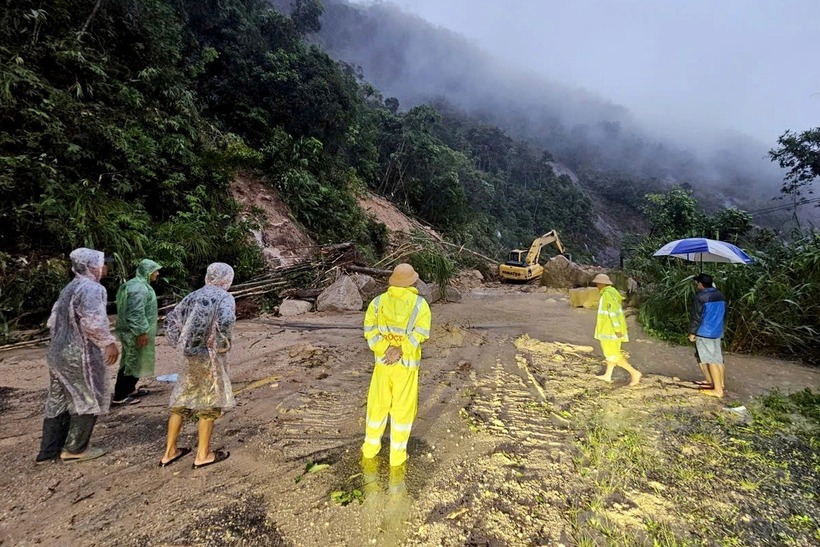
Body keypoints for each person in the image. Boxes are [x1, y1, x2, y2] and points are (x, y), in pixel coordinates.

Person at [36, 248, 120, 464]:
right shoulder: (92, 288)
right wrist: (109, 343)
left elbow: (53, 320)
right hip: (79, 355)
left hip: (58, 353)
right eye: (103, 263)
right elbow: (93, 321)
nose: (106, 267)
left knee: (59, 399)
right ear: (92, 266)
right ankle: (74, 448)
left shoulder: (70, 288)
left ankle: (49, 450)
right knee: (88, 396)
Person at [160, 263, 236, 468]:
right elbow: (226, 322)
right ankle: (203, 454)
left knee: (182, 399)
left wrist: (181, 343)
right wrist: (221, 345)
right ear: (226, 278)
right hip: (208, 356)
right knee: (209, 402)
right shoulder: (224, 297)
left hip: (188, 356)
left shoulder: (191, 297)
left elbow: (170, 321)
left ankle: (169, 451)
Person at [362, 263, 431, 467]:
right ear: (413, 282)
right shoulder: (420, 305)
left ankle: (369, 450)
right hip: (406, 367)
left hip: (383, 365)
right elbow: (421, 333)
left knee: (377, 407)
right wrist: (400, 350)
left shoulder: (377, 302)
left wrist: (385, 349)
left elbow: (369, 331)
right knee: (402, 411)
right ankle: (397, 457)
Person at [113, 259, 161, 405]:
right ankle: (120, 395)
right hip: (134, 332)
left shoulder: (137, 285)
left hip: (132, 330)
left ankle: (130, 389)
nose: (157, 273)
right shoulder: (138, 289)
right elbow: (135, 312)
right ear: (148, 271)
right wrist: (141, 332)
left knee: (135, 360)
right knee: (131, 361)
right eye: (155, 271)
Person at [592, 273, 642, 386]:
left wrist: (617, 329)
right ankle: (608, 375)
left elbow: (613, 313)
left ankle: (634, 373)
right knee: (612, 353)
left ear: (601, 284)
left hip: (609, 330)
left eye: (597, 284)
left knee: (613, 355)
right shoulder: (612, 293)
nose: (597, 286)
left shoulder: (607, 295)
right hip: (611, 330)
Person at [688, 273, 727, 398]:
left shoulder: (700, 297)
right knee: (718, 360)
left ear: (701, 284)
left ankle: (717, 391)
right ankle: (720, 384)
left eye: (697, 283)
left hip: (705, 332)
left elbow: (696, 317)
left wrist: (692, 333)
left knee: (710, 361)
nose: (696, 285)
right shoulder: (720, 295)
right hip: (717, 331)